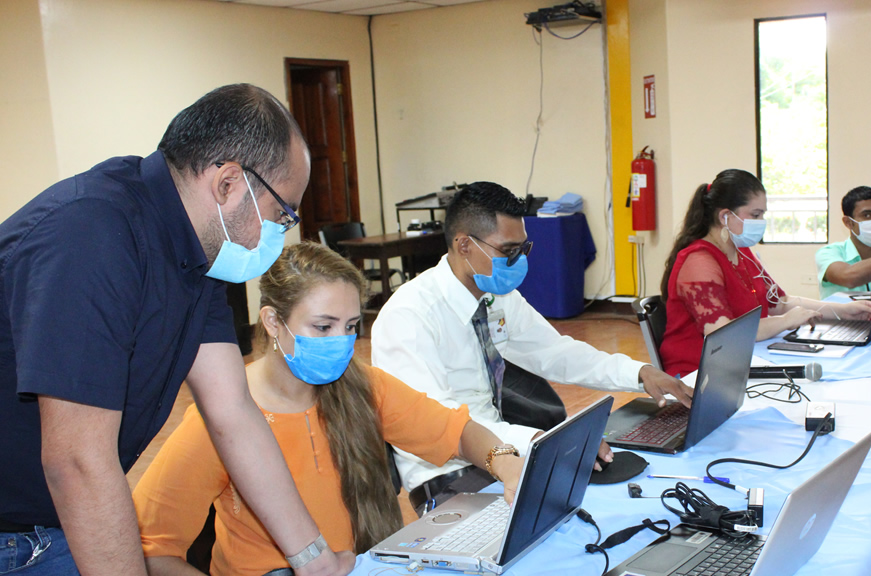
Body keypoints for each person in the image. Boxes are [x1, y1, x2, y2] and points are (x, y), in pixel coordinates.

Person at [0, 85, 351, 575]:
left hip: (55, 523)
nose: (284, 231)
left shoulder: (197, 255)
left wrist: (314, 559)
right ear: (229, 183)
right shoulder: (91, 235)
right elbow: (78, 462)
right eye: (282, 214)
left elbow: (233, 412)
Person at [133, 242, 524, 576]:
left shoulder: (363, 387)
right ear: (272, 322)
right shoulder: (220, 419)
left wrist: (505, 462)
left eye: (351, 326)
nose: (342, 341)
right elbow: (150, 547)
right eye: (323, 327)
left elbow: (456, 432)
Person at [371, 182, 693, 512]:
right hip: (447, 474)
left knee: (630, 497)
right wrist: (542, 442)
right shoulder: (409, 316)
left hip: (504, 452)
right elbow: (439, 426)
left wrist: (639, 373)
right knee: (579, 513)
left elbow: (557, 353)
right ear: (464, 245)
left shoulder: (497, 297)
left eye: (523, 250)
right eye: (508, 251)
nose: (518, 261)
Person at [659, 169, 871, 377]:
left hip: (741, 360)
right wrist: (786, 321)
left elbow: (779, 302)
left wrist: (843, 311)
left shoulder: (741, 251)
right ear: (725, 216)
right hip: (698, 374)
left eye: (762, 214)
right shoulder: (699, 261)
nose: (760, 222)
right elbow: (723, 335)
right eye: (755, 214)